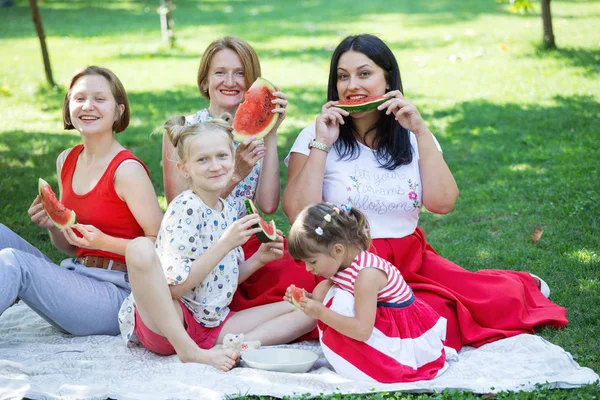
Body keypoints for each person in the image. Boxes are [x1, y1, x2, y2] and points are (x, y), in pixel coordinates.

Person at [282, 34, 568, 351]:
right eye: (343, 76)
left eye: (365, 74)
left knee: (443, 316)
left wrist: (420, 130)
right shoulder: (316, 134)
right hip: (335, 263)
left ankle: (519, 285)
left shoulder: (413, 135)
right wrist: (323, 142)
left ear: (388, 78)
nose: (352, 86)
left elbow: (443, 202)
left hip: (408, 262)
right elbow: (297, 213)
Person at [119, 116, 315, 372]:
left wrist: (258, 260)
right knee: (139, 248)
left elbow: (222, 279)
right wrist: (225, 244)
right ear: (184, 169)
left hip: (211, 324)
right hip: (170, 324)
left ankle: (240, 347)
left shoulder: (226, 210)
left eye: (222, 156)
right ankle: (188, 352)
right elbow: (175, 290)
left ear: (234, 160)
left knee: (309, 310)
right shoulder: (185, 207)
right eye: (203, 159)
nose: (215, 166)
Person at [0, 66, 163, 336]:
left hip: (120, 294)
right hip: (78, 277)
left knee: (13, 262)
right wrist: (53, 225)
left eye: (100, 99)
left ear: (118, 111)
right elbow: (70, 246)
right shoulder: (66, 160)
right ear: (68, 107)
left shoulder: (127, 170)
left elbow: (163, 246)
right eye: (79, 98)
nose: (88, 106)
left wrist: (103, 243)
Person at [162, 36, 318, 314]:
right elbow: (179, 204)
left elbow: (268, 205)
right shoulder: (183, 130)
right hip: (200, 245)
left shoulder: (256, 135)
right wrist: (236, 173)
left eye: (240, 73)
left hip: (246, 245)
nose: (230, 82)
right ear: (205, 81)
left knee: (308, 279)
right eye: (220, 73)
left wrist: (271, 132)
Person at [286, 202, 448, 383]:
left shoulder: (367, 276)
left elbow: (363, 331)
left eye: (313, 262)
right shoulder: (344, 263)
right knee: (325, 289)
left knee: (333, 295)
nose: (308, 269)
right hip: (377, 320)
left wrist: (321, 312)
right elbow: (322, 295)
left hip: (398, 337)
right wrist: (307, 301)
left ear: (338, 249)